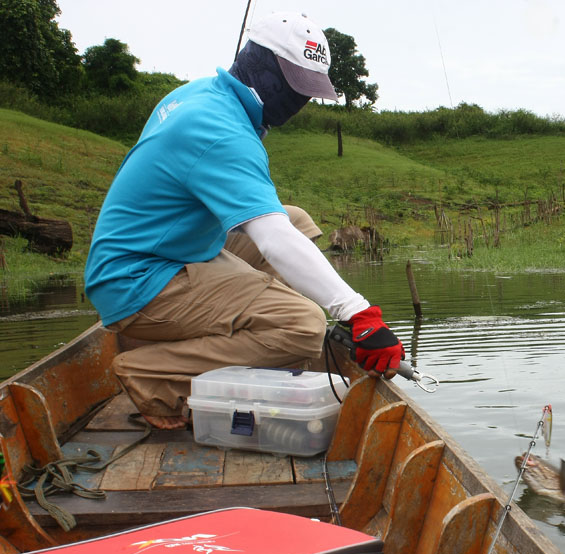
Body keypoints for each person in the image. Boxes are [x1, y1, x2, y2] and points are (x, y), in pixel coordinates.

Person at [83, 12, 403, 430]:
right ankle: (153, 374)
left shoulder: (200, 94)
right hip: (138, 279)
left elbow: (274, 224)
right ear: (261, 64)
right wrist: (360, 314)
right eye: (293, 86)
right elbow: (271, 239)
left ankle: (260, 343)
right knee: (306, 325)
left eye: (307, 92)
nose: (298, 103)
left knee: (297, 220)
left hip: (164, 250)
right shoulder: (220, 130)